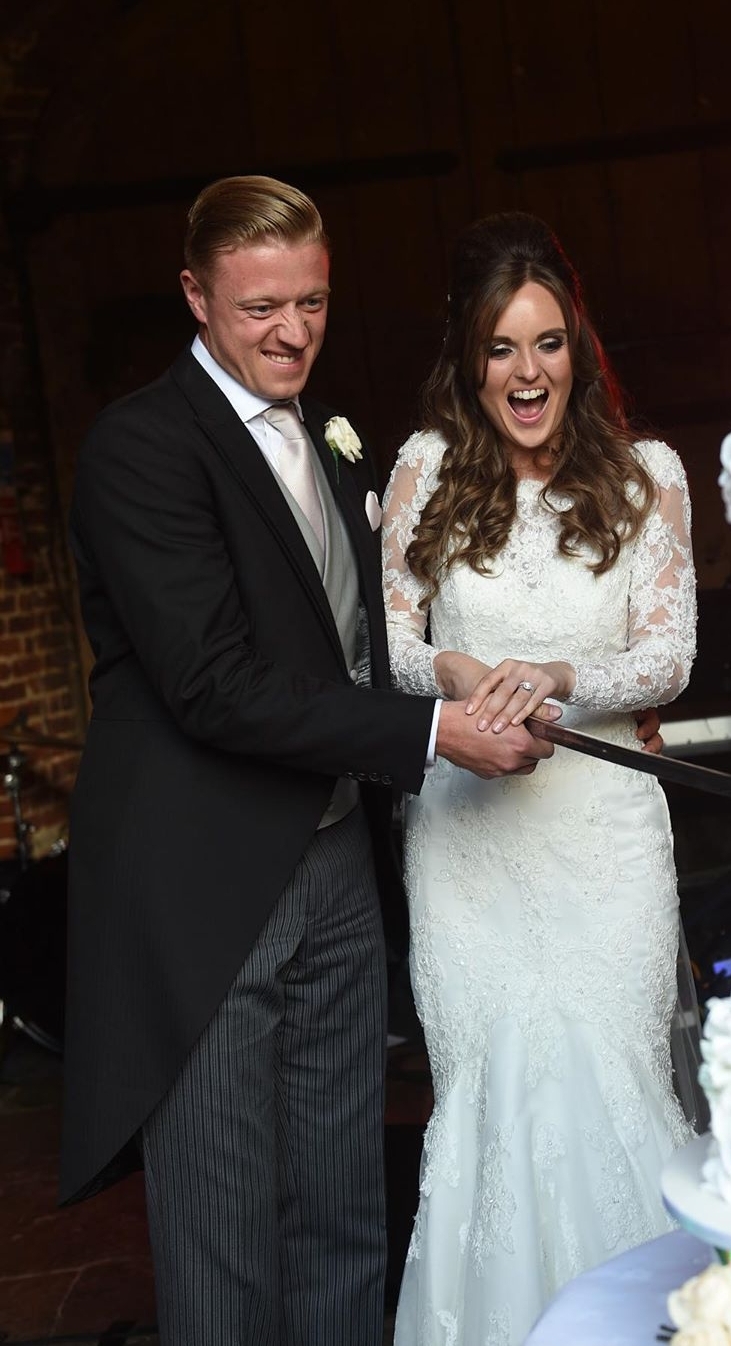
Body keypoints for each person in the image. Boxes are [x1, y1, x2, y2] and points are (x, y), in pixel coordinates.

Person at [58, 175, 562, 1346]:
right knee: (227, 1230)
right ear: (196, 295)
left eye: (314, 304)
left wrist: (455, 674)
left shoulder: (330, 444)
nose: (292, 332)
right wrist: (439, 736)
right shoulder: (140, 447)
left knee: (343, 1216)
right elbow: (213, 683)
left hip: (336, 865)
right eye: (259, 309)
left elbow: (356, 639)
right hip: (209, 888)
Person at [381, 211, 698, 1345]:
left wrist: (558, 672)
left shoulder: (646, 477)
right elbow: (394, 649)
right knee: (488, 1101)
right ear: (472, 357)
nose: (529, 372)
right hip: (470, 848)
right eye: (504, 347)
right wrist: (462, 669)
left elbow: (668, 653)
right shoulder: (425, 470)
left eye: (549, 343)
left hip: (602, 841)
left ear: (579, 346)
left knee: (613, 1081)